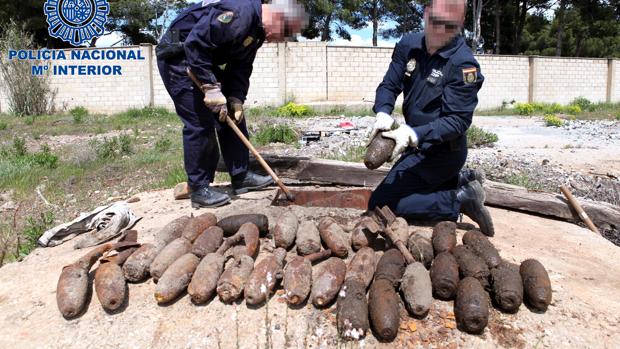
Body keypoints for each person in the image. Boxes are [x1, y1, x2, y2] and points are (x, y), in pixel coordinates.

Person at [156, 0, 307, 208]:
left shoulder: (257, 32)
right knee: (200, 122)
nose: (281, 39)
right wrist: (210, 87)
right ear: (277, 16)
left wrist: (236, 97)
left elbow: (241, 66)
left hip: (202, 60)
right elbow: (196, 43)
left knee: (234, 115)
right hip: (179, 55)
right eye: (286, 32)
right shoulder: (239, 12)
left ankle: (240, 175)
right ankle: (199, 188)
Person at [367, 0, 495, 236]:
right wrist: (383, 111)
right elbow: (389, 84)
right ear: (426, 14)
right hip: (415, 150)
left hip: (443, 153)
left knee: (381, 203)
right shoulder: (409, 45)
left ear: (459, 24)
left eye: (450, 25)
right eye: (436, 21)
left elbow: (458, 121)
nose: (440, 30)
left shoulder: (464, 64)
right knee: (398, 191)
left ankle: (460, 199)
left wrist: (414, 133)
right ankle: (460, 180)